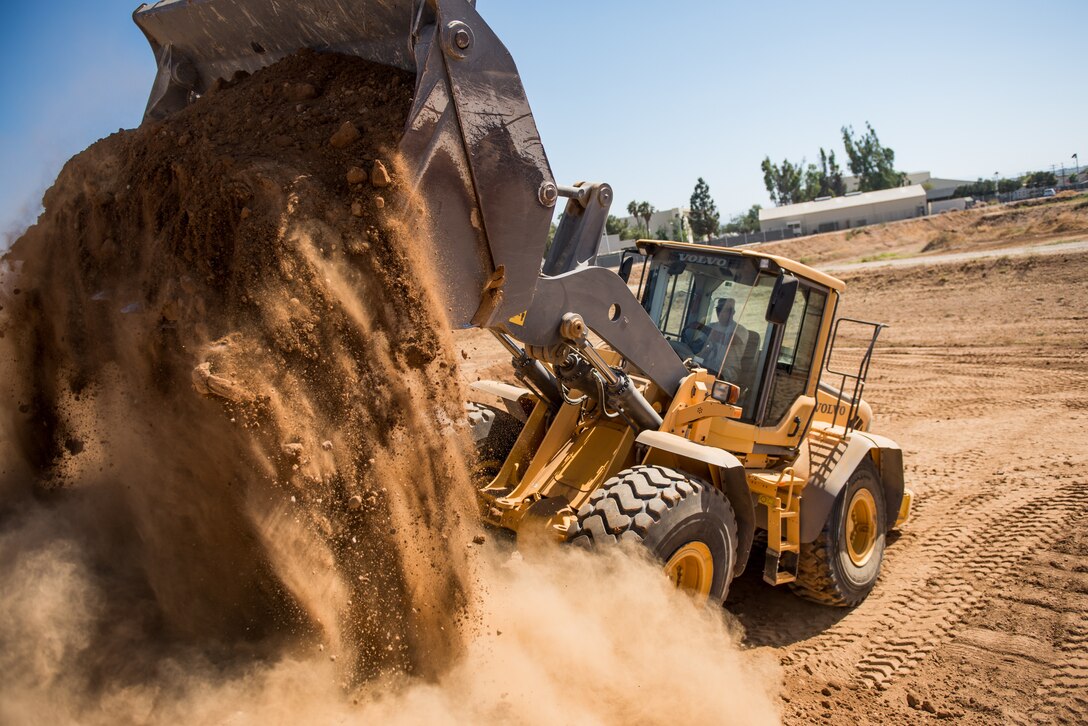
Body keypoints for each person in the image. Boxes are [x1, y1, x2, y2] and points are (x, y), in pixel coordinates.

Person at [697, 297, 759, 387]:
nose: (720, 313)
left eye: (724, 310)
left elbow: (727, 340)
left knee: (716, 379)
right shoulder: (711, 326)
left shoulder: (740, 330)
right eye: (718, 310)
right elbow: (700, 345)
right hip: (708, 365)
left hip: (729, 369)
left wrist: (702, 328)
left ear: (732, 313)